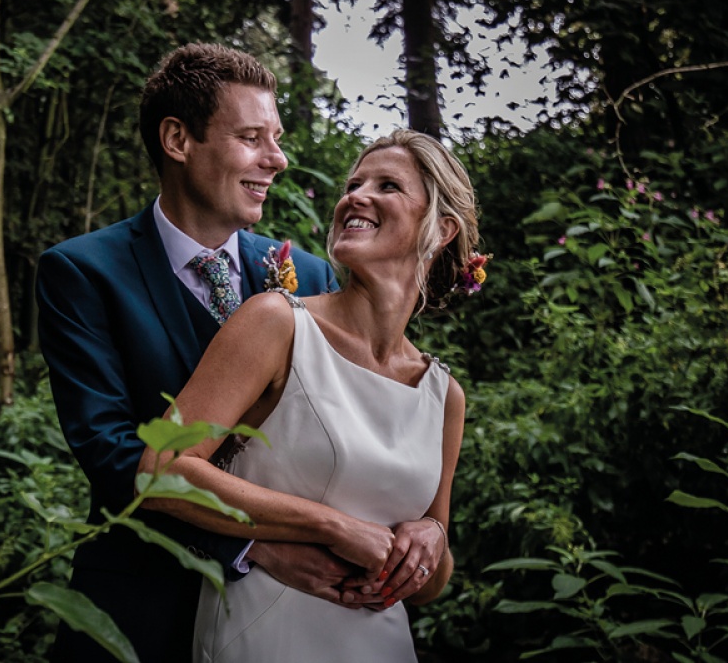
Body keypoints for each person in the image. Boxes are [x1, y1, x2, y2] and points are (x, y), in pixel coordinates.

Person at [35, 43, 346, 663]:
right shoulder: (83, 272)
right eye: (252, 137)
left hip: (295, 617)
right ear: (177, 139)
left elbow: (347, 425)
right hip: (142, 610)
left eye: (276, 137)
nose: (277, 159)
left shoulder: (308, 276)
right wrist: (253, 546)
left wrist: (424, 520)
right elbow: (112, 452)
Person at [137, 129, 483, 662]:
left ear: (441, 229)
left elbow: (433, 585)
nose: (356, 196)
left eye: (387, 185)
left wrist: (433, 537)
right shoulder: (276, 323)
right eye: (354, 183)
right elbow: (161, 470)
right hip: (264, 635)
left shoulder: (444, 394)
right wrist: (334, 527)